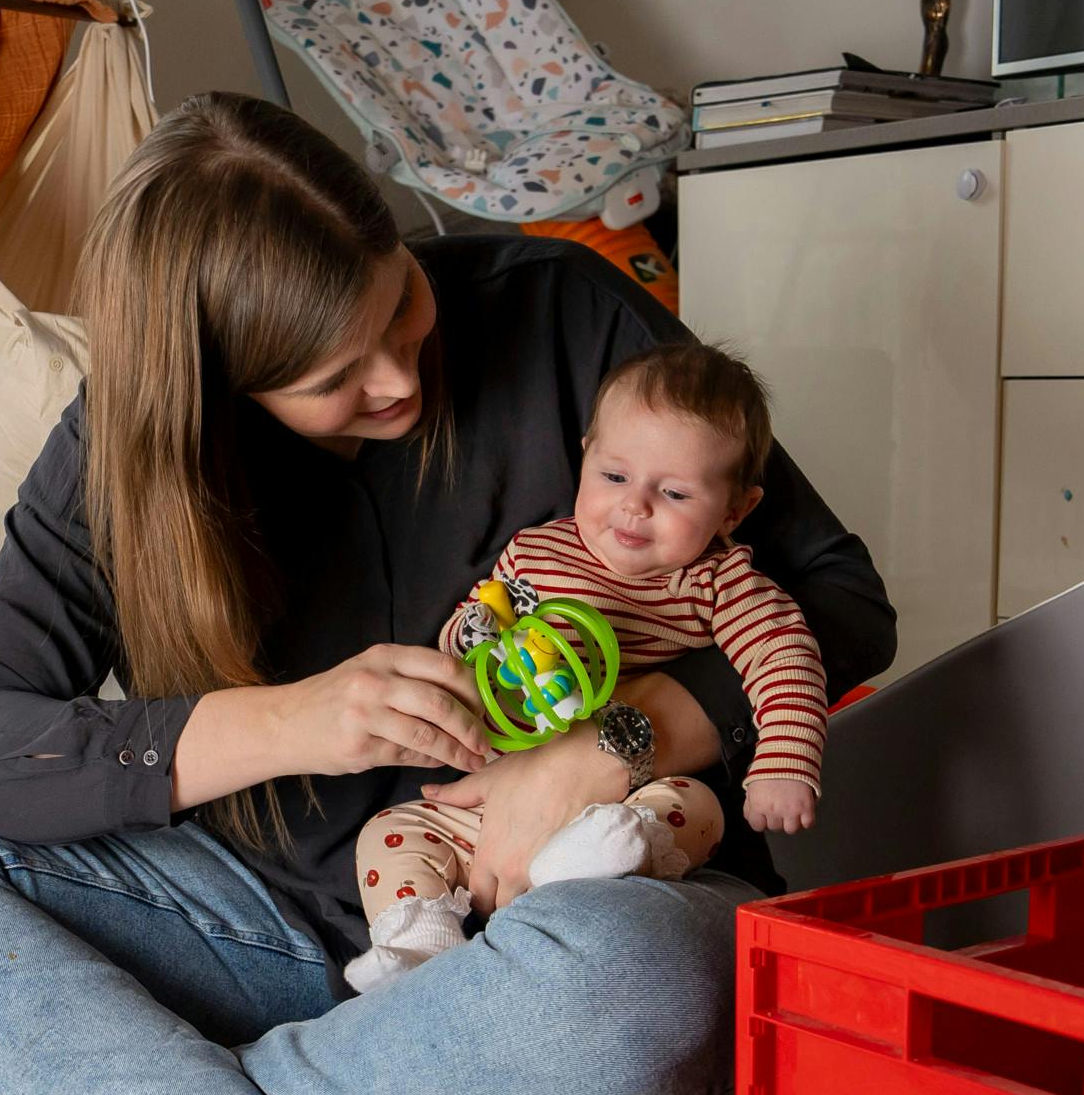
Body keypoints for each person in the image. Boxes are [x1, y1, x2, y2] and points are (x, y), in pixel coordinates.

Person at [0, 94, 893, 1095]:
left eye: (398, 303)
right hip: (268, 927)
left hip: (578, 907)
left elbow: (841, 602)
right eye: (331, 376)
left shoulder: (559, 312)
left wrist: (599, 751)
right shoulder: (121, 458)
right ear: (223, 384)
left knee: (646, 999)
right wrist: (293, 723)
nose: (399, 377)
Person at [345, 340, 828, 993]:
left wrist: (784, 763)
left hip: (628, 800)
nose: (635, 505)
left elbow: (785, 655)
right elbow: (470, 637)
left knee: (701, 811)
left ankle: (595, 858)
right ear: (585, 456)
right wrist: (472, 631)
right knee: (391, 831)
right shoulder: (536, 551)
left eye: (675, 492)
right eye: (614, 476)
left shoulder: (718, 583)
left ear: (735, 510)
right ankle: (420, 943)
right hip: (501, 796)